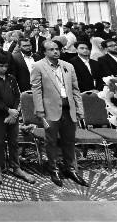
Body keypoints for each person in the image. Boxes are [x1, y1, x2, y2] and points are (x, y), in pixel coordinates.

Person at [30, 40, 88, 187]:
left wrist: (80, 109)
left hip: (69, 109)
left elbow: (75, 90)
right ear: (44, 52)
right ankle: (53, 169)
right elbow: (36, 90)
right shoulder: (38, 66)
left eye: (57, 49)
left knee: (69, 141)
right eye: (51, 49)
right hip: (49, 111)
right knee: (51, 141)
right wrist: (39, 110)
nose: (56, 51)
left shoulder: (68, 66)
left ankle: (70, 168)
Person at [0, 55, 35, 185]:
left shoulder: (11, 78)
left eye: (6, 66)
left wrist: (14, 113)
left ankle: (16, 167)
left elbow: (17, 96)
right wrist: (8, 110)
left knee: (14, 142)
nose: (4, 68)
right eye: (1, 66)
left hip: (13, 115)